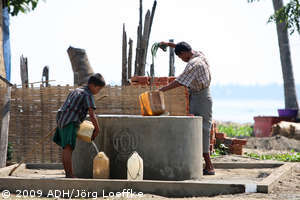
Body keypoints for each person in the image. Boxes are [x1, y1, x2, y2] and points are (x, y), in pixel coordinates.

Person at [159, 41, 215, 175]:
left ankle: (209, 166)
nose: (181, 59)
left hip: (201, 98)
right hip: (197, 96)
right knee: (194, 128)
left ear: (184, 53)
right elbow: (183, 47)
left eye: (180, 57)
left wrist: (161, 90)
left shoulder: (193, 64)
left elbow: (179, 81)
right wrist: (168, 44)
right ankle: (198, 163)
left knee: (203, 130)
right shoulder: (199, 55)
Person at [53, 73, 106, 178]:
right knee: (68, 148)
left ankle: (68, 174)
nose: (98, 92)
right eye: (98, 89)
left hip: (62, 120)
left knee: (66, 148)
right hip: (71, 121)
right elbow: (91, 114)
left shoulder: (75, 91)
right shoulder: (88, 94)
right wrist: (97, 129)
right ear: (93, 86)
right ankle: (69, 175)